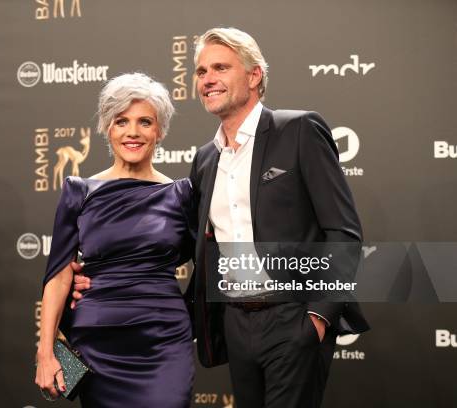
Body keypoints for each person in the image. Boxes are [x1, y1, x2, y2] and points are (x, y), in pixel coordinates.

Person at [74, 28, 370, 408]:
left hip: (293, 317)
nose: (207, 79)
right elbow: (184, 243)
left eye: (220, 68)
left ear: (254, 75)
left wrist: (318, 316)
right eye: (200, 71)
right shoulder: (205, 159)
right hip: (235, 323)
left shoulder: (297, 130)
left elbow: (342, 231)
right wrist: (103, 262)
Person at [35, 73, 195, 407]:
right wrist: (46, 351)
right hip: (98, 342)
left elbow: (211, 262)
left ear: (160, 130)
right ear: (108, 128)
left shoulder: (181, 194)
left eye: (145, 122)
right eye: (121, 121)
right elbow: (59, 275)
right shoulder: (78, 192)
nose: (133, 132)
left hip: (163, 341)